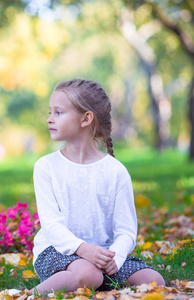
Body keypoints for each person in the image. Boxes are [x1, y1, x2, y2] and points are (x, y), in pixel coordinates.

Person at [32, 79, 164, 294]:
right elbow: (51, 225)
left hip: (104, 255)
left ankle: (93, 282)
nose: (49, 119)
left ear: (86, 118)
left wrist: (117, 257)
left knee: (153, 281)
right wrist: (83, 250)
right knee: (89, 274)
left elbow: (126, 230)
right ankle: (31, 295)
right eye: (50, 112)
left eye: (58, 112)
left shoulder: (115, 171)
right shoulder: (46, 167)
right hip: (58, 251)